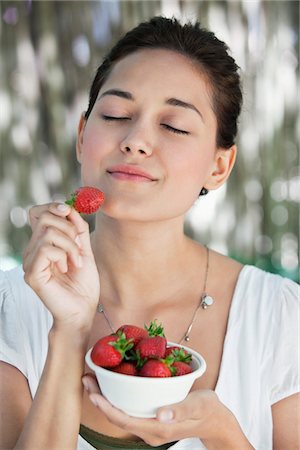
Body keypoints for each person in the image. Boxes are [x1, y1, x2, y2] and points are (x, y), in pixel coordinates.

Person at [0, 16, 299, 450]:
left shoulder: (280, 320)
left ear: (219, 167)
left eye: (174, 125)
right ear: (83, 136)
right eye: (116, 114)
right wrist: (68, 332)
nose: (136, 140)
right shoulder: (10, 309)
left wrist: (221, 433)